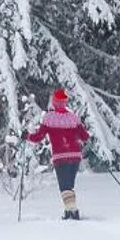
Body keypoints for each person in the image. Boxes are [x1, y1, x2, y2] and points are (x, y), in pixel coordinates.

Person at [26, 89, 90, 220]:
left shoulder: (49, 118)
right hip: (75, 156)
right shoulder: (73, 118)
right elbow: (85, 136)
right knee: (69, 185)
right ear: (65, 102)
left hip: (61, 157)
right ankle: (69, 211)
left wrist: (26, 135)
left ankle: (73, 210)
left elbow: (38, 137)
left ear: (54, 102)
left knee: (64, 186)